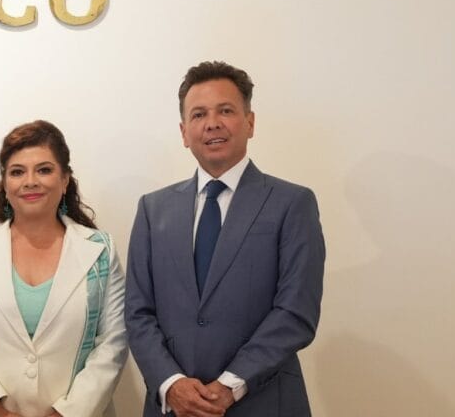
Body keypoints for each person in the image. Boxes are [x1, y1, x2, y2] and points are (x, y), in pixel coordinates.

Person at [124, 61, 325, 417]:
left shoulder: (292, 203)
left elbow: (296, 312)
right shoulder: (153, 210)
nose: (212, 123)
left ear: (250, 122)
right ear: (184, 132)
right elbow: (138, 313)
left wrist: (230, 385)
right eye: (199, 114)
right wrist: (172, 384)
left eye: (226, 111)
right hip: (174, 407)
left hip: (264, 402)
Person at [0, 120, 128, 417]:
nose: (30, 181)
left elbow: (113, 344)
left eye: (44, 170)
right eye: (17, 172)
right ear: (5, 184)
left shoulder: (101, 249)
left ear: (65, 180)